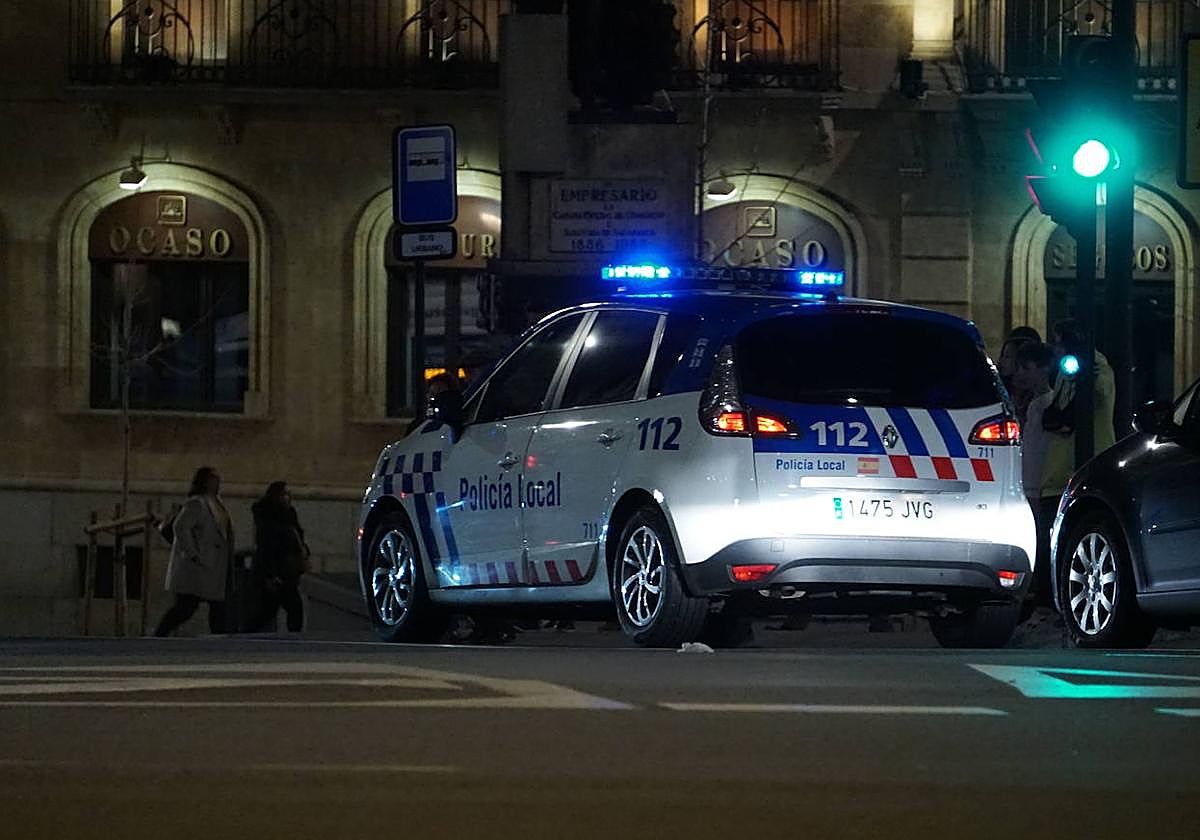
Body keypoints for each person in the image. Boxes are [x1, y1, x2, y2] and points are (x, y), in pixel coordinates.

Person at [154, 466, 234, 636]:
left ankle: (219, 636)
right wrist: (193, 553)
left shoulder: (217, 503)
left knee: (216, 604)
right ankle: (159, 634)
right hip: (198, 565)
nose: (217, 482)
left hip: (213, 565)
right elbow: (180, 527)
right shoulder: (197, 503)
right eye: (213, 479)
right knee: (186, 606)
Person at [1012, 341, 1057, 604]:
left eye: (1026, 368)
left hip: (1038, 481)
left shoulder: (1045, 404)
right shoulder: (1034, 404)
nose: (1020, 374)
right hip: (1031, 482)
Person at [250, 481, 309, 633]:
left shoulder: (289, 516)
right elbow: (266, 547)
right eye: (284, 494)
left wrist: (304, 554)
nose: (288, 497)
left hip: (288, 570)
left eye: (289, 494)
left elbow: (298, 539)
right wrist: (271, 574)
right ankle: (247, 632)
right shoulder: (269, 519)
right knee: (288, 607)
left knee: (271, 609)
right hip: (277, 571)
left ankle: (247, 631)